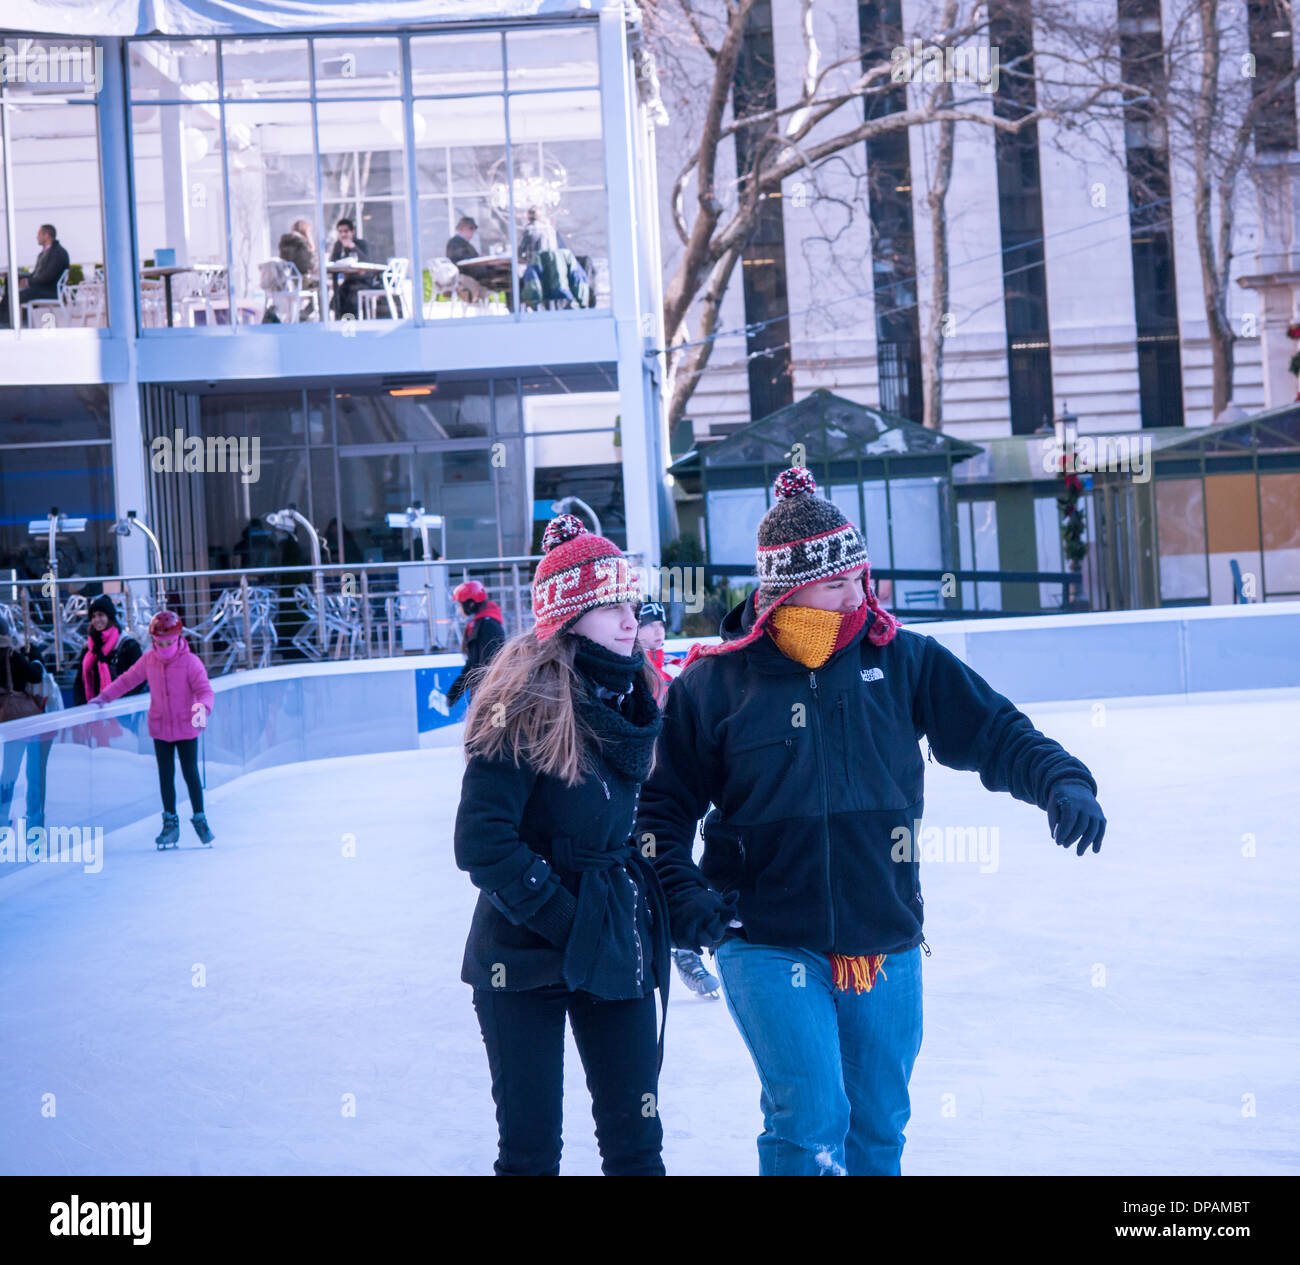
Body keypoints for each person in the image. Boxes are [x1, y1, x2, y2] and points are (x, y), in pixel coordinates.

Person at [636, 466, 1108, 1176]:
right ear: (786, 590)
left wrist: (1062, 781)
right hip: (764, 938)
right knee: (810, 1118)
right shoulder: (716, 683)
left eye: (861, 577)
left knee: (879, 1126)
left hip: (884, 936)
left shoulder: (903, 658)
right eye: (837, 584)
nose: (858, 596)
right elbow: (662, 812)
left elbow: (997, 733)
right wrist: (685, 898)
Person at [453, 514, 669, 1176]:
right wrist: (566, 920)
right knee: (530, 1152)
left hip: (611, 940)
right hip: (520, 958)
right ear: (570, 614)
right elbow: (481, 841)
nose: (628, 618)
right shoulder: (519, 702)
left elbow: (636, 830)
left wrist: (683, 903)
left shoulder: (631, 699)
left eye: (630, 601)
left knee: (636, 1145)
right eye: (609, 604)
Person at [635, 599, 722, 1000]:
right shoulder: (627, 672)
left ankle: (684, 948)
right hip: (635, 783)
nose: (657, 631)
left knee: (672, 858)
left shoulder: (675, 670)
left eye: (660, 625)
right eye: (648, 624)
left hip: (668, 778)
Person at [92, 611, 216, 849]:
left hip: (187, 727)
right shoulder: (149, 660)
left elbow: (205, 691)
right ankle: (170, 824)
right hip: (160, 727)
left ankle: (200, 818)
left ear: (179, 637)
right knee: (165, 775)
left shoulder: (191, 662)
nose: (165, 647)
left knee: (191, 773)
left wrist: (202, 709)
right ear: (153, 641)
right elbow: (128, 680)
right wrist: (104, 697)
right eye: (160, 643)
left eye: (170, 642)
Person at [0, 610, 49, 829]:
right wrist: (36, 657)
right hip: (19, 722)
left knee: (7, 774)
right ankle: (33, 824)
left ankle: (1, 820)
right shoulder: (11, 656)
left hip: (4, 720)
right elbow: (35, 674)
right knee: (29, 772)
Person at [72, 594, 143, 706]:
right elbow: (80, 681)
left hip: (122, 709)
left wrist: (125, 702)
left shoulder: (127, 644)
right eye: (93, 616)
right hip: (94, 708)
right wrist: (81, 705)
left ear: (110, 617)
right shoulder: (89, 648)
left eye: (101, 615)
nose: (96, 620)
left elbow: (141, 677)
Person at [446, 580, 505, 707]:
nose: (459, 609)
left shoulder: (486, 625)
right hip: (489, 694)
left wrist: (452, 695)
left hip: (492, 697)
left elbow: (479, 665)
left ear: (471, 604)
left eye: (460, 604)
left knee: (496, 725)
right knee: (491, 726)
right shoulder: (484, 622)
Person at [1, 224, 71, 327]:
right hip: (40, 288)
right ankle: (7, 322)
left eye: (39, 234)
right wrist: (25, 280)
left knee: (19, 295)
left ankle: (9, 324)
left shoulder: (58, 253)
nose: (36, 237)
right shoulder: (43, 253)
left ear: (46, 236)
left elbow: (47, 276)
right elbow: (36, 274)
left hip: (50, 291)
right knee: (10, 283)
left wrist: (29, 282)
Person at [328, 217, 375, 319]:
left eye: (346, 231)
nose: (343, 234)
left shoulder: (361, 244)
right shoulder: (338, 245)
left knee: (352, 297)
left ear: (352, 232)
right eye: (340, 231)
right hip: (348, 281)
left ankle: (354, 321)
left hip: (363, 280)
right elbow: (333, 262)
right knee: (338, 297)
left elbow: (366, 261)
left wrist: (352, 247)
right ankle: (342, 322)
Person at [444, 215, 491, 291]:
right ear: (461, 228)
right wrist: (478, 258)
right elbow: (460, 259)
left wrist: (479, 257)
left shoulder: (464, 243)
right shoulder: (455, 242)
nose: (473, 231)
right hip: (467, 276)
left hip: (473, 273)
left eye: (474, 228)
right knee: (505, 277)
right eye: (471, 228)